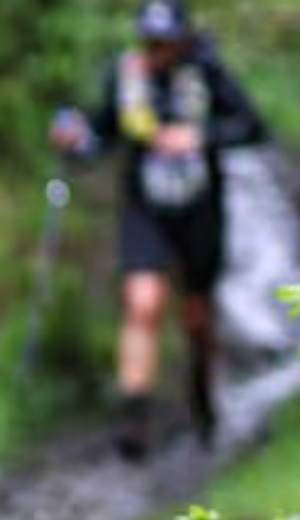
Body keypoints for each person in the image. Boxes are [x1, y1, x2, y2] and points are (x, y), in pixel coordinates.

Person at [50, 0, 267, 460]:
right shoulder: (126, 76)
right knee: (142, 301)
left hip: (199, 209)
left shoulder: (207, 73)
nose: (156, 51)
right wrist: (76, 139)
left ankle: (202, 392)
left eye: (164, 42)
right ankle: (133, 416)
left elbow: (250, 126)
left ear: (183, 40)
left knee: (196, 315)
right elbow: (101, 133)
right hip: (146, 208)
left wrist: (200, 137)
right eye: (149, 41)